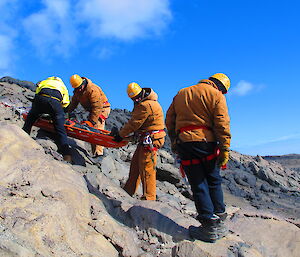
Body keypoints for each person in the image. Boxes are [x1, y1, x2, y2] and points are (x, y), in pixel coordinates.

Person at [165, 73, 231, 242]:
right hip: (207, 143)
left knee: (198, 183)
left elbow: (170, 120)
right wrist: (224, 148)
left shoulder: (181, 93)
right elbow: (222, 123)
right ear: (221, 87)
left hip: (185, 143)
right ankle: (219, 223)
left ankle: (208, 225)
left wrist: (174, 141)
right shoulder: (216, 95)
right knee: (213, 180)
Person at [112, 82, 166, 200]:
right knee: (135, 166)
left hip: (150, 140)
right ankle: (128, 191)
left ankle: (149, 197)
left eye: (136, 98)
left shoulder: (145, 105)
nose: (135, 100)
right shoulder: (146, 103)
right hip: (146, 138)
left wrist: (120, 135)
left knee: (147, 168)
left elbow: (134, 124)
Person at [23, 76, 72, 162]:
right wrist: (57, 115)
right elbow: (65, 103)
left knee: (30, 118)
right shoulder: (63, 86)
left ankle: (23, 136)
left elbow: (37, 94)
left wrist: (38, 110)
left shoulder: (44, 82)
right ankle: (67, 155)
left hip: (41, 99)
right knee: (61, 130)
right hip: (55, 102)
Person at [68, 74, 110, 158]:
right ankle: (94, 153)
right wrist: (66, 111)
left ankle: (99, 154)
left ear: (83, 84)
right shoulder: (77, 91)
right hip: (92, 110)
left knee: (97, 128)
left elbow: (97, 107)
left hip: (102, 109)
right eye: (77, 88)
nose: (79, 89)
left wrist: (92, 121)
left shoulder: (92, 89)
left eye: (80, 87)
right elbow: (73, 103)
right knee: (91, 130)